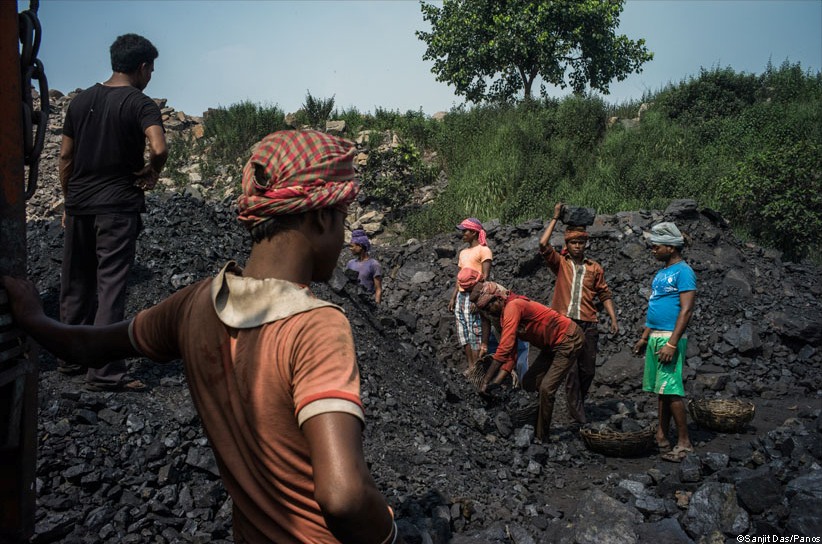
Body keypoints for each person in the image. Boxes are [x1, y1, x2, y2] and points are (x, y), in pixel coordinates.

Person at [3, 130, 402, 544]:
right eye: (342, 220)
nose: (341, 238)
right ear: (321, 217)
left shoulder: (193, 306)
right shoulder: (316, 325)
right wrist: (389, 535)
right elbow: (345, 498)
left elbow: (88, 345)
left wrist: (34, 319)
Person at [58, 33, 168, 391]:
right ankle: (104, 372)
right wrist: (153, 170)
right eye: (151, 69)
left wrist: (68, 199)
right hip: (117, 207)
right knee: (110, 287)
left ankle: (69, 357)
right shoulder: (141, 103)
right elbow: (159, 145)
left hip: (79, 204)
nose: (151, 75)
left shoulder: (80, 102)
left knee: (75, 282)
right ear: (142, 67)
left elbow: (64, 158)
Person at [470, 281, 584, 441]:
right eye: (485, 310)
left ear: (498, 298)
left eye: (489, 307)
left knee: (546, 389)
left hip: (568, 338)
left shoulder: (513, 307)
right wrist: (496, 383)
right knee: (529, 382)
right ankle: (531, 424)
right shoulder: (504, 316)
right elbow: (511, 354)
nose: (489, 311)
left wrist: (486, 380)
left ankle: (542, 436)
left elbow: (504, 348)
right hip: (550, 345)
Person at [538, 202, 619, 423]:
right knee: (571, 372)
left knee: (588, 370)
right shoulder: (561, 264)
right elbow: (543, 244)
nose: (577, 246)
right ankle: (579, 417)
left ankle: (577, 405)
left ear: (586, 244)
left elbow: (604, 294)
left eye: (581, 242)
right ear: (568, 244)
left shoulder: (595, 268)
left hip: (589, 322)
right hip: (566, 324)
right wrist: (555, 217)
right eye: (573, 242)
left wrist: (613, 318)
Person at [632, 221, 696, 463]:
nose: (653, 250)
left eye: (656, 246)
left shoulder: (684, 272)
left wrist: (672, 343)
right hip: (656, 336)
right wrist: (644, 337)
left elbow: (686, 310)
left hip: (670, 338)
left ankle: (684, 443)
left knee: (671, 389)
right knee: (662, 390)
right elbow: (655, 308)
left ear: (670, 248)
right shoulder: (661, 274)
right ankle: (662, 435)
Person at [447, 218, 492, 374]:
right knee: (463, 332)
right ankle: (471, 365)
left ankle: (478, 368)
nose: (463, 234)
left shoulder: (483, 250)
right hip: (461, 295)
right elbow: (459, 277)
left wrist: (477, 298)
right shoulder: (463, 253)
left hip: (474, 295)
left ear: (474, 232)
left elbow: (485, 277)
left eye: (465, 231)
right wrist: (453, 297)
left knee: (475, 331)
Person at [346, 228, 383, 304]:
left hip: (367, 304)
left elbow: (378, 289)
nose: (350, 249)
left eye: (352, 246)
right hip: (353, 304)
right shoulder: (350, 263)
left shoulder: (374, 264)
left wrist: (377, 307)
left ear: (360, 246)